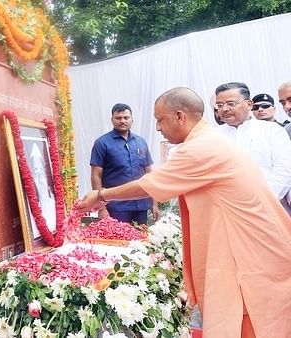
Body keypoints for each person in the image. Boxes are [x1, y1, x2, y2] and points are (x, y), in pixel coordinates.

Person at [74, 87, 291, 338]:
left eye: (160, 119)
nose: (157, 128)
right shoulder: (209, 139)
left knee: (245, 319)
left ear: (179, 116)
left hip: (247, 253)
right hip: (252, 245)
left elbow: (149, 184)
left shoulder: (201, 147)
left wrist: (100, 195)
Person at [215, 82, 291, 214]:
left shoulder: (271, 130)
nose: (224, 109)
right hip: (229, 210)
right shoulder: (212, 136)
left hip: (270, 208)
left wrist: (263, 201)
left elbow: (284, 168)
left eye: (231, 103)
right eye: (220, 105)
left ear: (249, 104)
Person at [90, 103, 158, 225]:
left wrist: (154, 202)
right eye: (118, 118)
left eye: (126, 118)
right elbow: (96, 175)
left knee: (141, 240)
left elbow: (149, 173)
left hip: (141, 204)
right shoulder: (102, 143)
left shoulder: (141, 142)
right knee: (120, 241)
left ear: (132, 119)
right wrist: (101, 208)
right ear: (112, 120)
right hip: (116, 206)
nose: (122, 121)